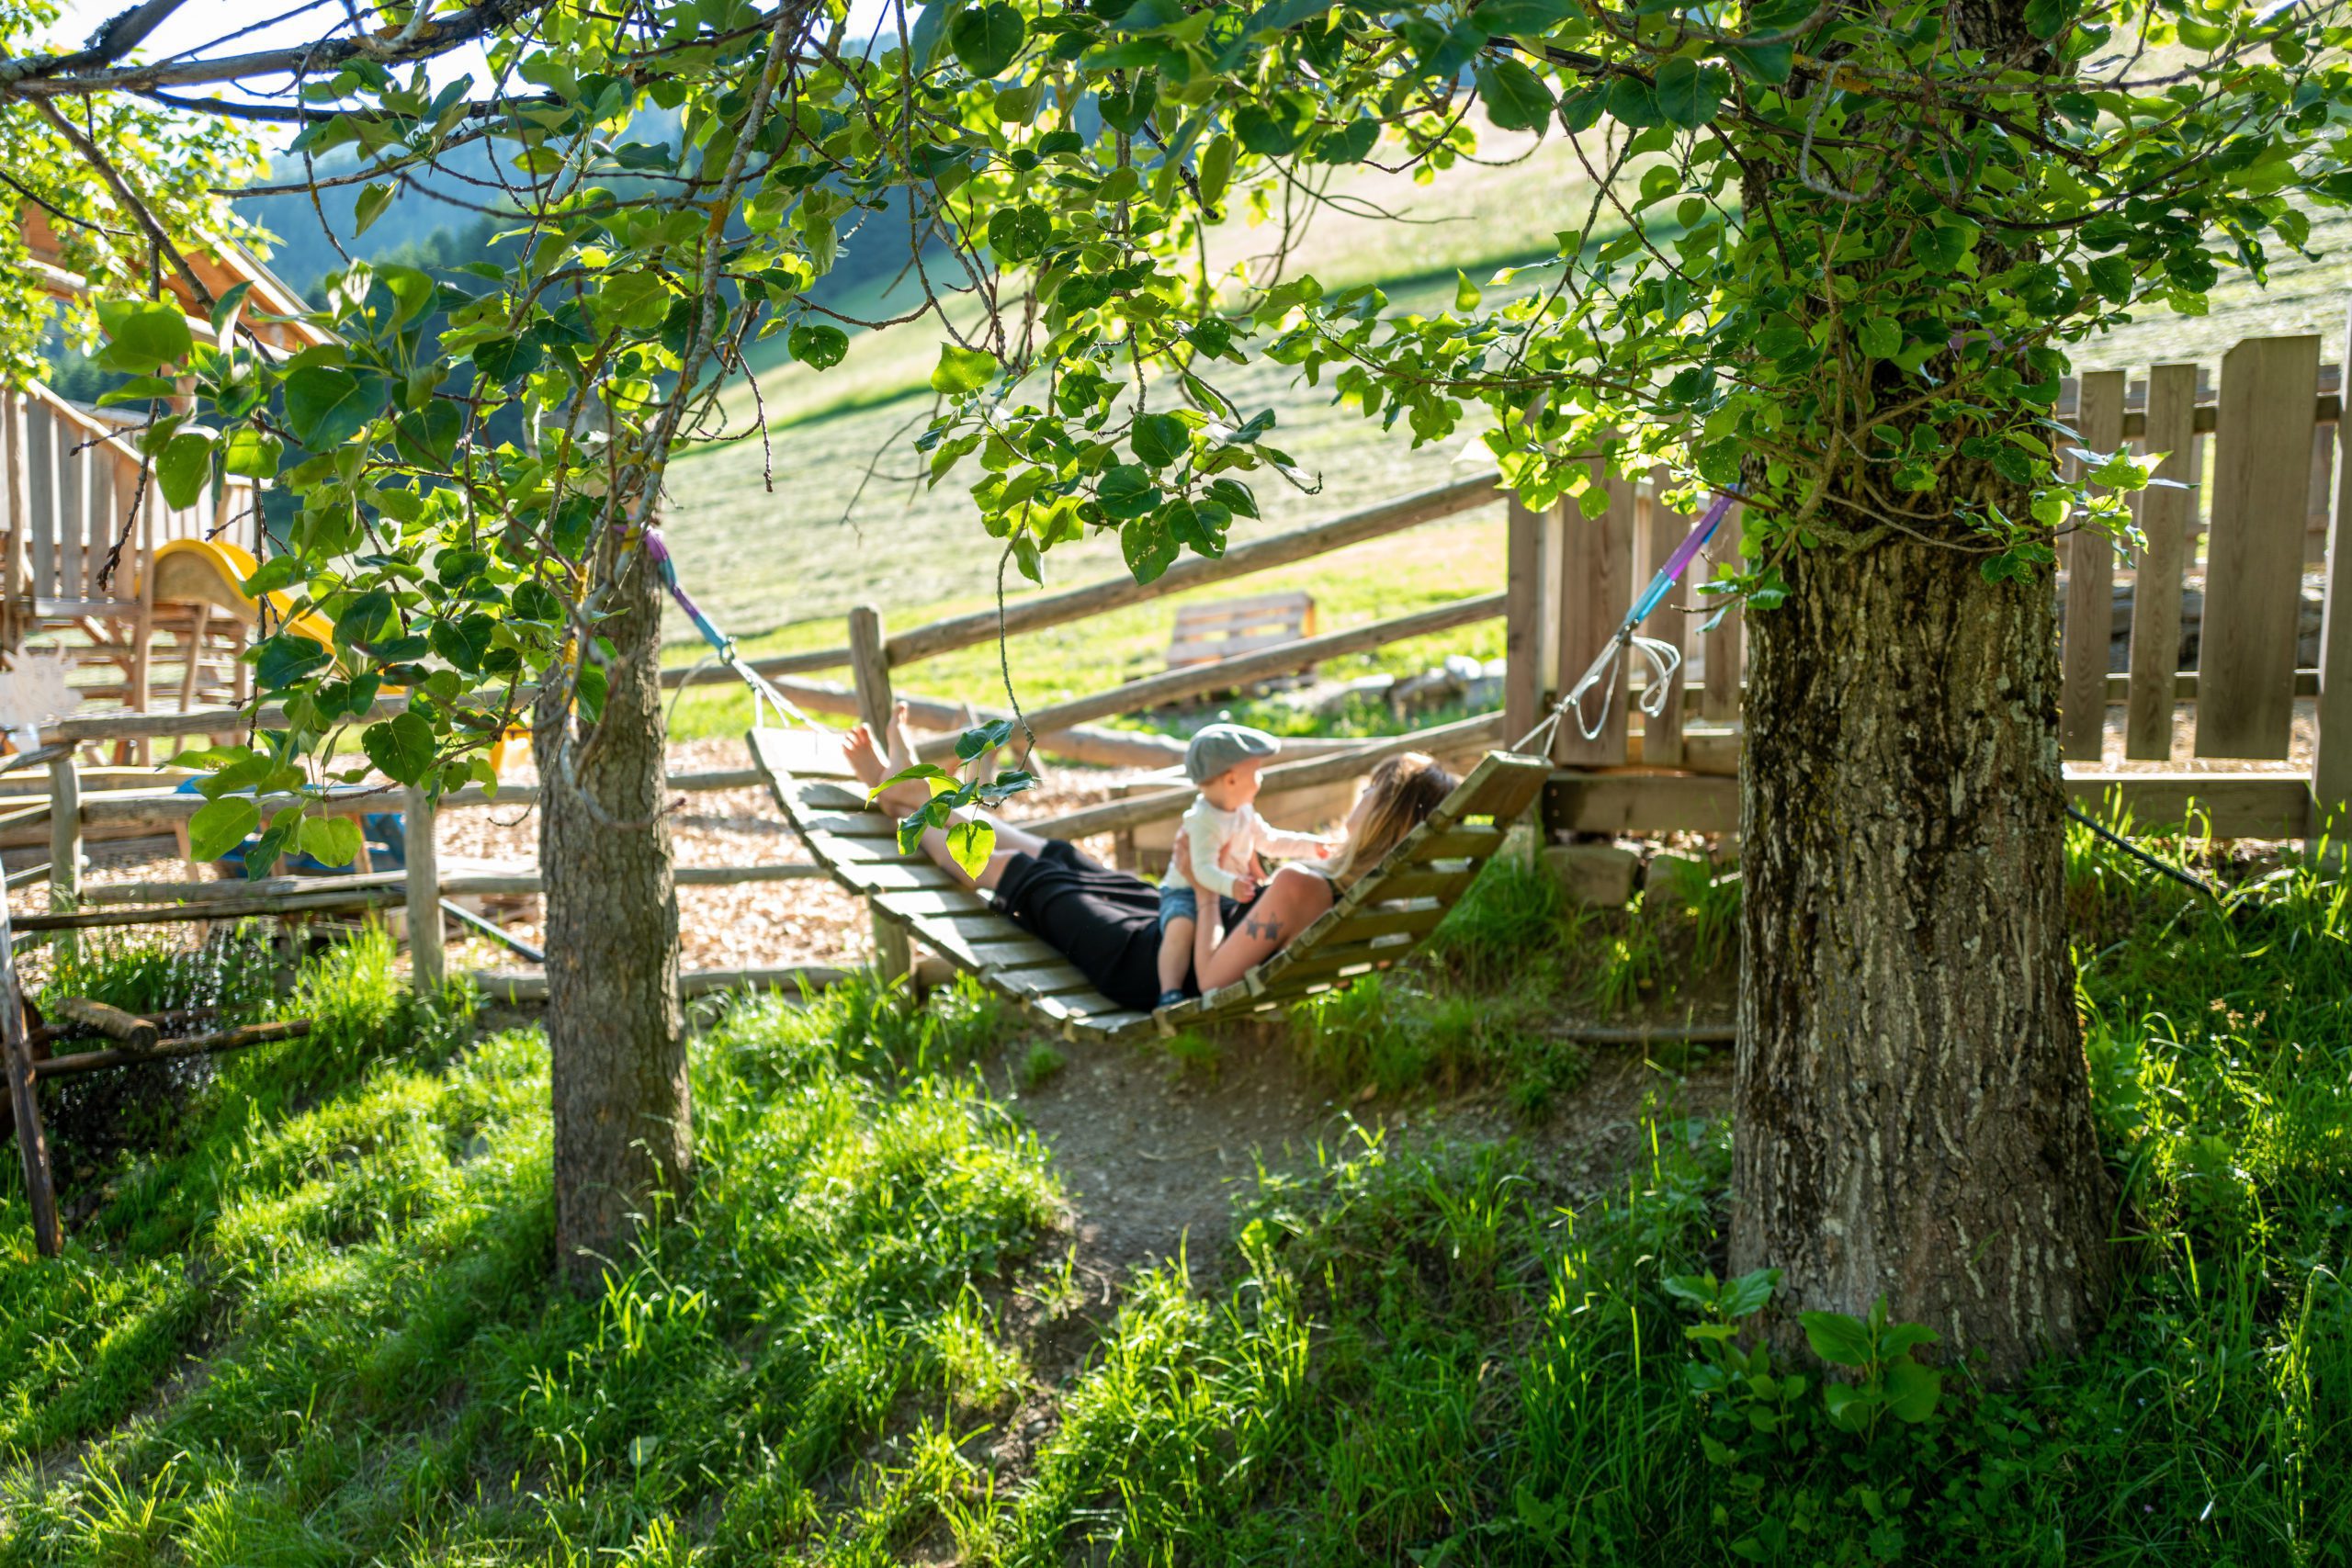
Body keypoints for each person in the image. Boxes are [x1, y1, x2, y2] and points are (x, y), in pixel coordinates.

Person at [841, 703, 1456, 1013]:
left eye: (1374, 790)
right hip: (1169, 928)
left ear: (1385, 815)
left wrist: (1204, 885)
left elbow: (1214, 979)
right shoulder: (1356, 890)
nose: (1361, 795)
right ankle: (910, 792)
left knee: (1034, 875)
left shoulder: (1305, 884)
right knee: (1063, 855)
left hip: (1147, 966)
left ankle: (902, 806)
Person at [1154, 723, 1339, 1012]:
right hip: (1186, 892)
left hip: (1229, 889)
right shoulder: (1203, 820)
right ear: (1230, 780)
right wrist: (1229, 885)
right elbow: (1201, 870)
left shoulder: (1243, 811)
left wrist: (1309, 845)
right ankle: (1169, 992)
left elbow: (1270, 841)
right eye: (1256, 771)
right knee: (1180, 927)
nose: (1260, 778)